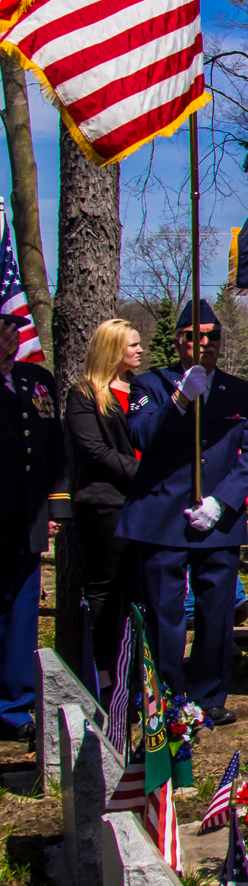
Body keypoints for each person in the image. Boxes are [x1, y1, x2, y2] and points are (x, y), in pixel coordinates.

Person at [119, 301, 248, 726]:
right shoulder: (148, 384)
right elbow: (143, 434)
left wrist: (222, 501)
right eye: (193, 336)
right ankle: (165, 697)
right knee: (164, 614)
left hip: (217, 519)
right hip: (162, 517)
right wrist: (181, 399)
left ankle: (208, 695)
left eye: (212, 335)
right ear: (178, 341)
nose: (204, 344)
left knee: (216, 612)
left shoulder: (239, 391)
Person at [65, 318, 142, 693]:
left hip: (146, 504)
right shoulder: (84, 395)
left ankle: (138, 678)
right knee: (106, 593)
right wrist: (141, 471)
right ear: (112, 350)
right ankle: (104, 678)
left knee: (141, 592)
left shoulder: (143, 389)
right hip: (106, 505)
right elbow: (93, 449)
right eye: (132, 345)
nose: (140, 350)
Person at [0, 311, 64, 745]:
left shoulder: (37, 380)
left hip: (27, 518)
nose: (7, 335)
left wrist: (56, 507)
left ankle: (14, 707)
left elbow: (54, 447)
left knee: (23, 616)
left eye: (10, 327)